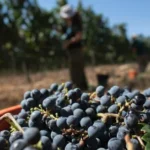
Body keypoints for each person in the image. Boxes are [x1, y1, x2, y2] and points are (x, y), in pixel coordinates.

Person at [60, 4, 88, 90]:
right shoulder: (68, 24)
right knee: (75, 70)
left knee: (76, 71)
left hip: (76, 50)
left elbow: (79, 36)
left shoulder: (76, 23)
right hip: (71, 51)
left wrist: (68, 42)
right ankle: (81, 89)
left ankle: (79, 89)